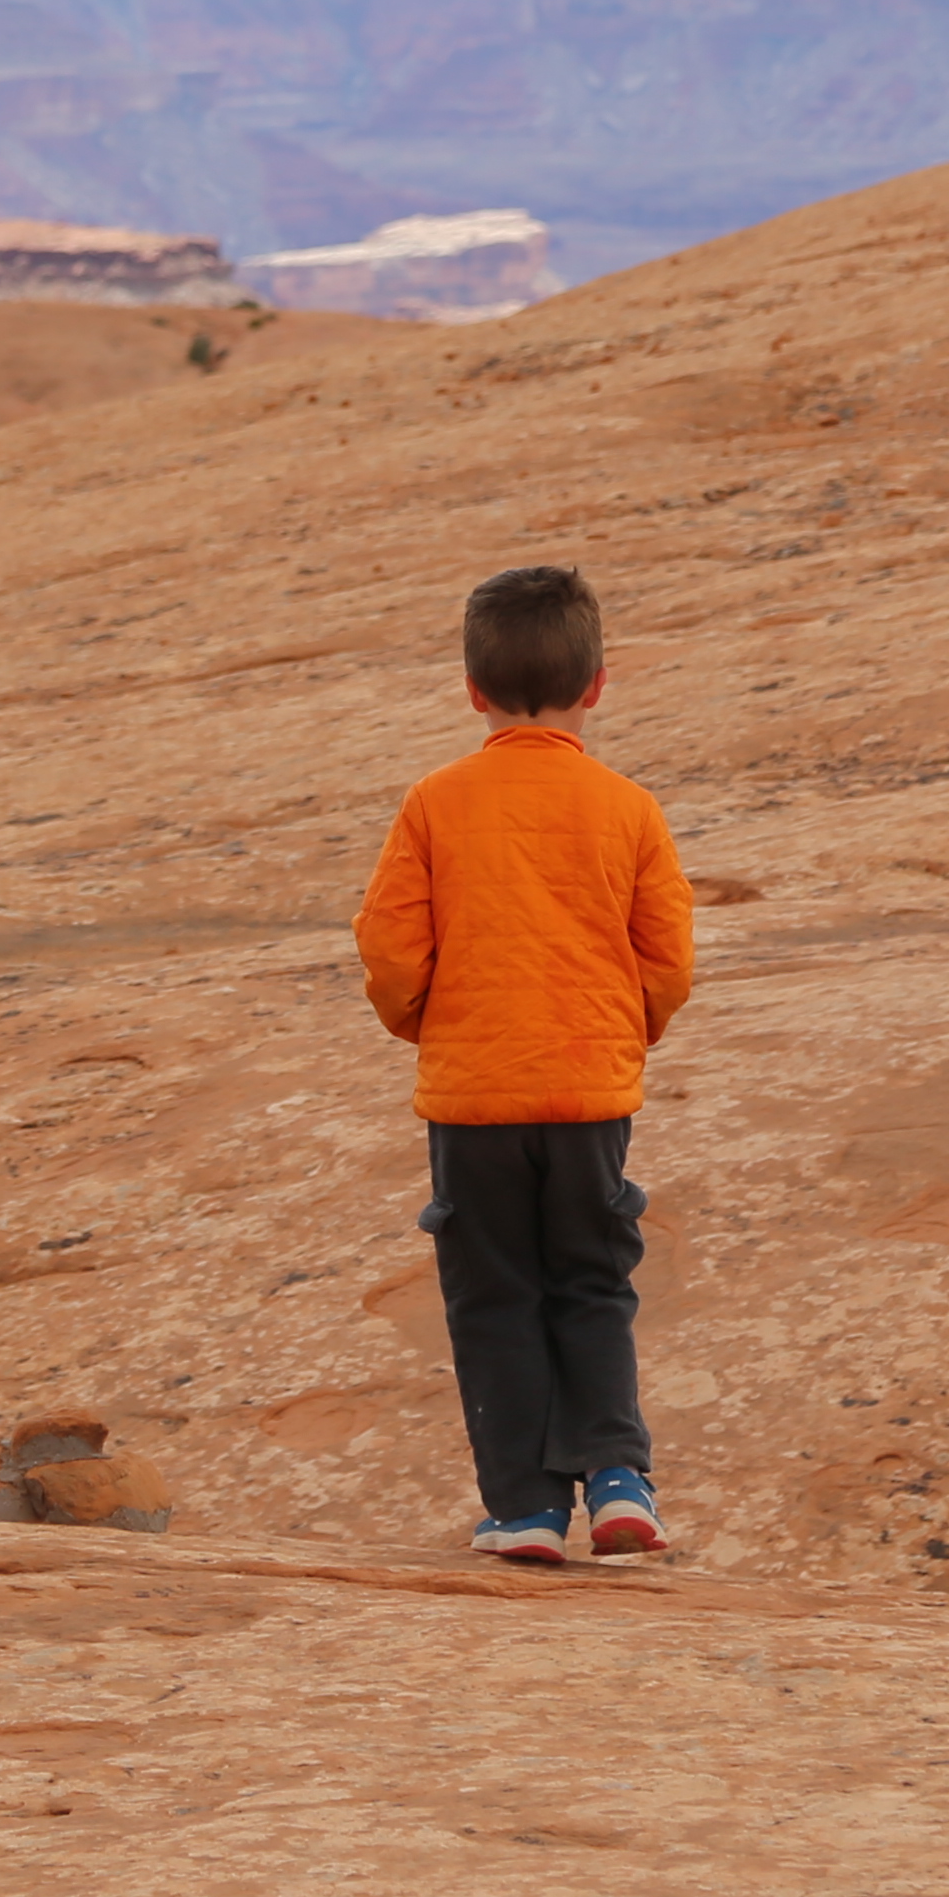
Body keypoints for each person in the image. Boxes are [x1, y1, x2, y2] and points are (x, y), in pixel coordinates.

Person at [347, 561, 696, 1567]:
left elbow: (389, 948)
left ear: (471, 689)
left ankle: (527, 1508)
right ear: (597, 684)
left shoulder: (433, 804)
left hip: (474, 1099)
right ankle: (621, 1480)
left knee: (494, 1293)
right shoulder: (628, 809)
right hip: (590, 1094)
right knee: (592, 1280)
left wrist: (423, 1021)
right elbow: (667, 952)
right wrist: (629, 1028)